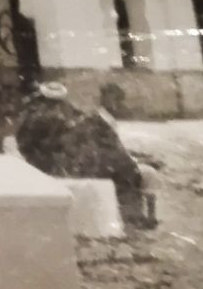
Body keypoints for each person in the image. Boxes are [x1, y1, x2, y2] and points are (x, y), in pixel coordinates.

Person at [14, 82, 154, 229]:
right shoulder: (61, 115)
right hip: (62, 162)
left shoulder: (34, 114)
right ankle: (131, 217)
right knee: (123, 170)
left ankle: (130, 216)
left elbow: (26, 147)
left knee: (121, 168)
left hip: (68, 161)